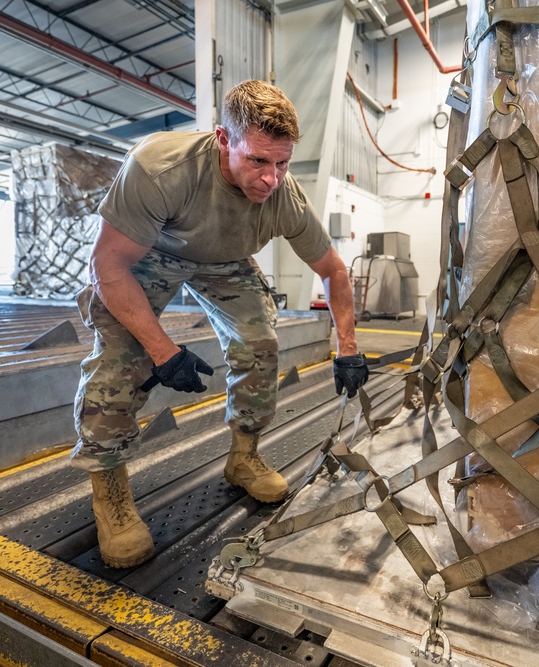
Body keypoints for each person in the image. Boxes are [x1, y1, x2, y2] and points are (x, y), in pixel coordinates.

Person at [70, 80, 369, 568]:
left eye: (282, 163)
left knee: (260, 343)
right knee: (122, 361)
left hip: (226, 261)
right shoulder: (161, 169)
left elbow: (333, 270)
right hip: (152, 253)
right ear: (223, 140)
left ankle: (244, 456)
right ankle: (111, 495)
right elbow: (108, 267)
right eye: (258, 161)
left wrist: (349, 347)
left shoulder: (282, 195)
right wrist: (164, 352)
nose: (271, 179)